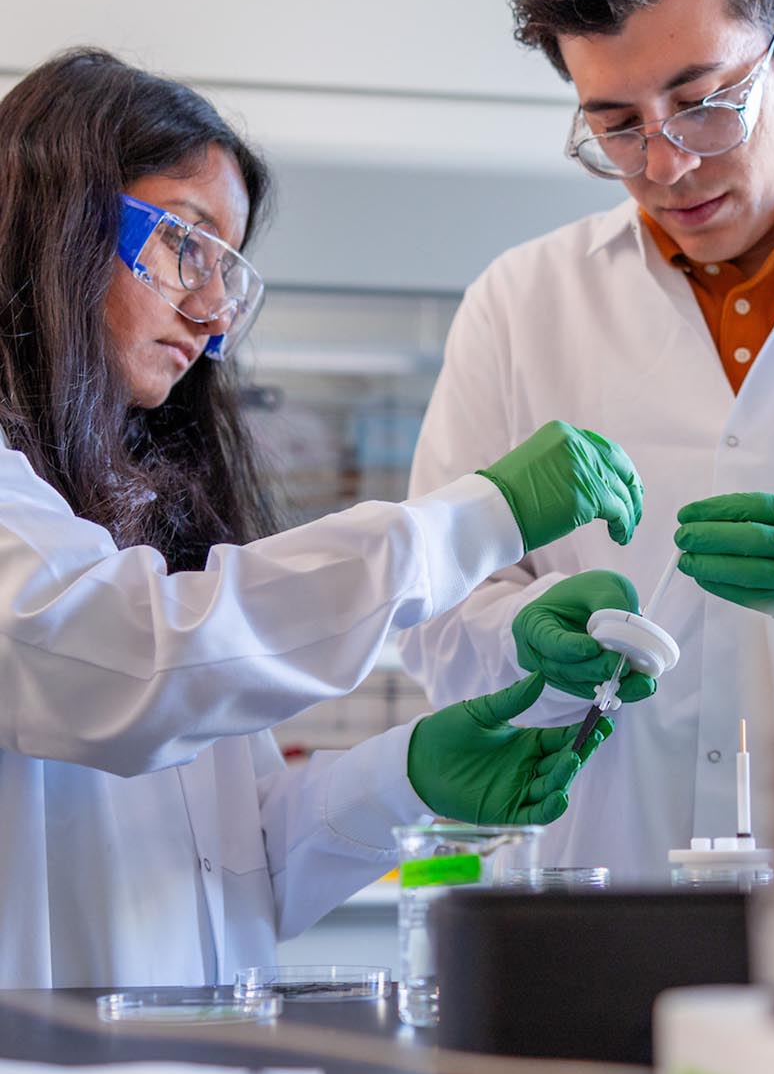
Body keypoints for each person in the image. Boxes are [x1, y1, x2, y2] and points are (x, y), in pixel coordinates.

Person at [0, 49, 632, 987]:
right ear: (56, 216)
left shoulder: (131, 515)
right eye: (188, 243)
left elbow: (239, 868)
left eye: (232, 270)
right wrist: (474, 521)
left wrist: (407, 776)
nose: (216, 315)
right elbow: (126, 664)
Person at [401, 0, 774, 883]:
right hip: (597, 900)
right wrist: (525, 641)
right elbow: (437, 613)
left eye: (703, 100)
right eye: (615, 124)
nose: (667, 164)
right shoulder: (522, 302)